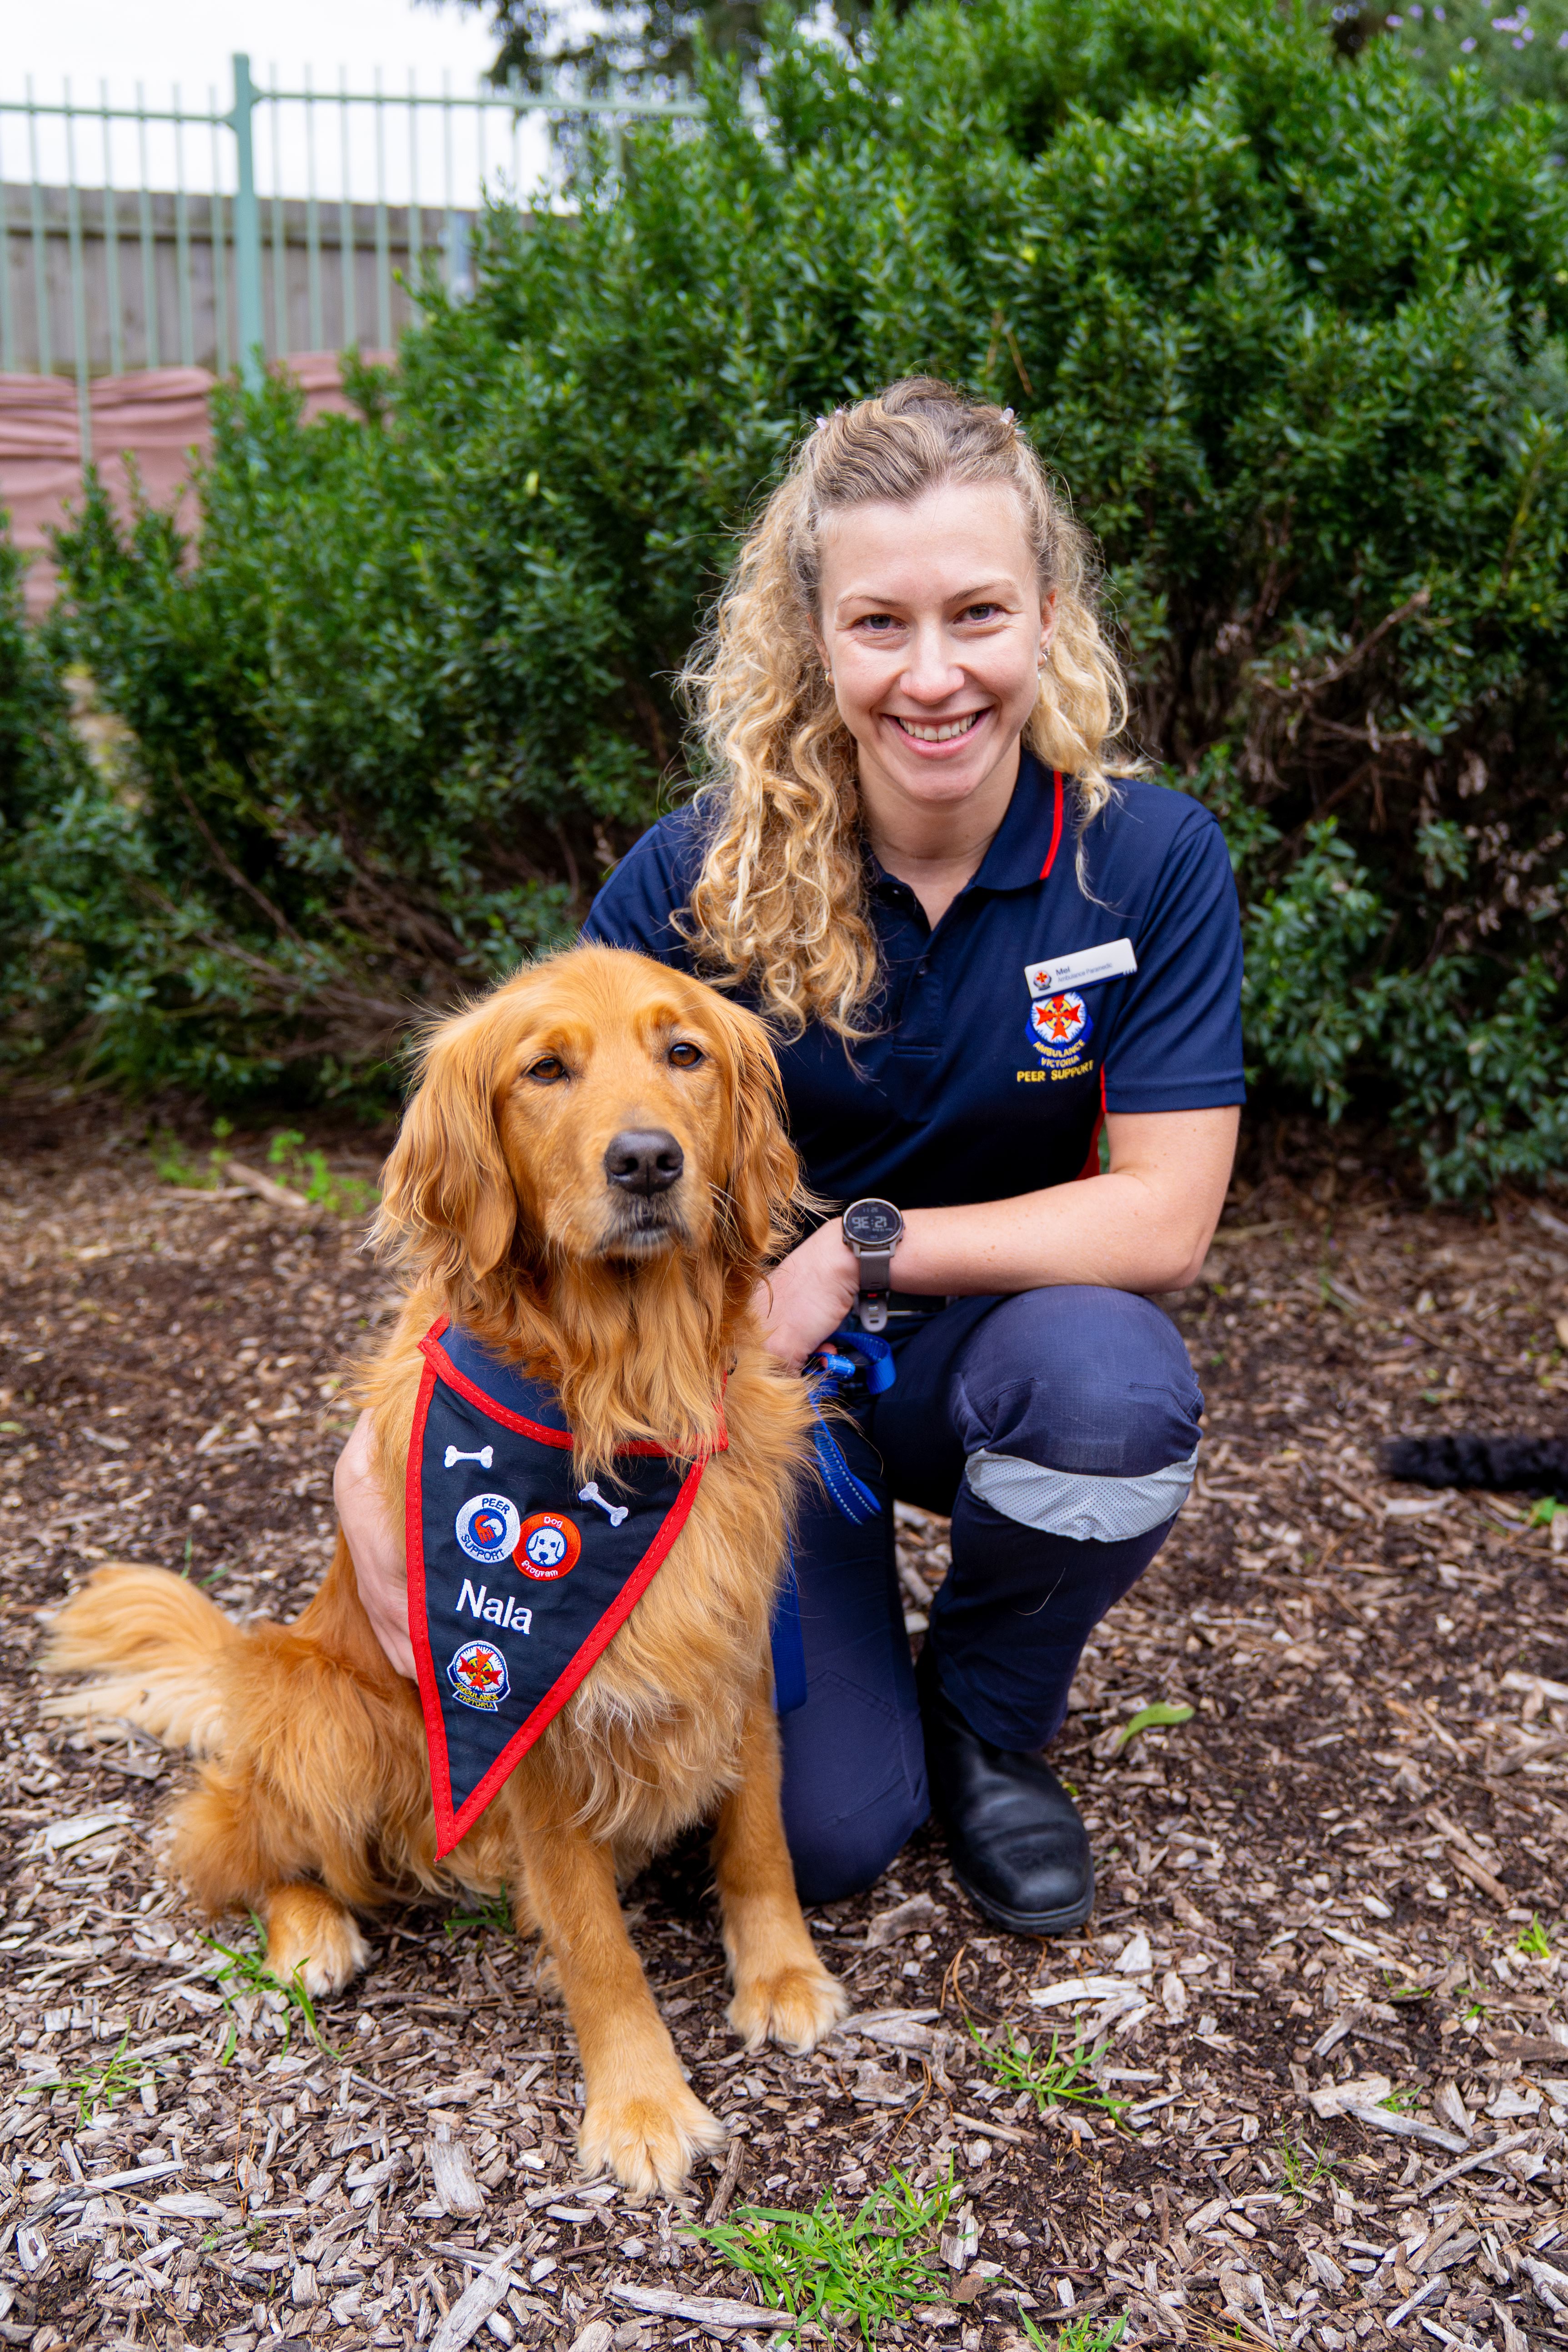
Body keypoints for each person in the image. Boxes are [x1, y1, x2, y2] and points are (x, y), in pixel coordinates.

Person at [336, 377, 1243, 1936]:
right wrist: (380, 1459)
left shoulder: (1147, 859)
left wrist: (854, 1249)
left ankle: (987, 1716)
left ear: (1047, 616)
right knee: (827, 1840)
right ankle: (862, 1701)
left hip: (972, 1348)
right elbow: (528, 1163)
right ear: (814, 641)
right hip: (737, 1405)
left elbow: (1162, 1220)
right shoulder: (696, 872)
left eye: (977, 614)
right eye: (880, 624)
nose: (935, 675)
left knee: (1114, 1389)